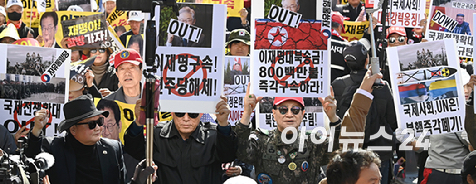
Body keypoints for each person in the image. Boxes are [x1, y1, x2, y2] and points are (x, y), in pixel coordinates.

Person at [236, 70, 380, 183]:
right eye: (283, 110)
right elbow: (240, 151)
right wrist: (247, 114)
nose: (289, 114)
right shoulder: (261, 140)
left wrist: (333, 117)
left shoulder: (313, 142)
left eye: (295, 110)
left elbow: (342, 150)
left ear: (302, 114)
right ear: (274, 113)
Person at [124, 96, 236, 184]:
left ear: (201, 114)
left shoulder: (214, 135)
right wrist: (138, 122)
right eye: (180, 113)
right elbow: (134, 149)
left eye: (192, 114)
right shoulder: (157, 134)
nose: (186, 118)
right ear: (172, 113)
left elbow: (228, 155)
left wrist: (223, 124)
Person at [332, 41, 398, 184]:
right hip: (381, 151)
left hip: (350, 155)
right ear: (367, 60)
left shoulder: (337, 85)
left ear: (346, 61)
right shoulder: (382, 85)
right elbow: (393, 120)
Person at [26, 95, 126, 184]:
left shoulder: (113, 149)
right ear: (73, 129)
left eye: (100, 121)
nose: (98, 127)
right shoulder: (54, 147)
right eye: (91, 124)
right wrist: (37, 129)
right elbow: (31, 161)